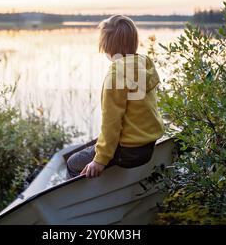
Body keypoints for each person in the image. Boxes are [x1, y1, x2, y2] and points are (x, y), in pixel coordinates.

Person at [66, 15, 165, 178]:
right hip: (147, 145)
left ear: (106, 46)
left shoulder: (115, 76)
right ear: (134, 40)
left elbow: (111, 123)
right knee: (94, 144)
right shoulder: (142, 64)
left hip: (130, 152)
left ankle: (82, 199)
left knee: (72, 162)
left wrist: (100, 160)